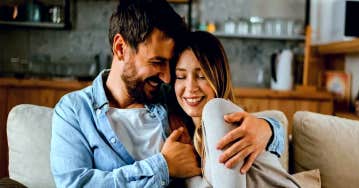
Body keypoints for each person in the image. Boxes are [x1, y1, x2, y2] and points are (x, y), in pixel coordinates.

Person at [50, 0, 284, 187]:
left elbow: (231, 121)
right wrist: (164, 166)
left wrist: (268, 129)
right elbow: (75, 184)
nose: (167, 77)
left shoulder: (172, 97)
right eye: (157, 61)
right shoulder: (74, 111)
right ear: (121, 48)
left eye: (170, 65)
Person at [171, 31, 300, 187]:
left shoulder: (219, 112)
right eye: (180, 76)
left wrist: (269, 127)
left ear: (218, 77)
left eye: (202, 75)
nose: (190, 87)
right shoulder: (190, 136)